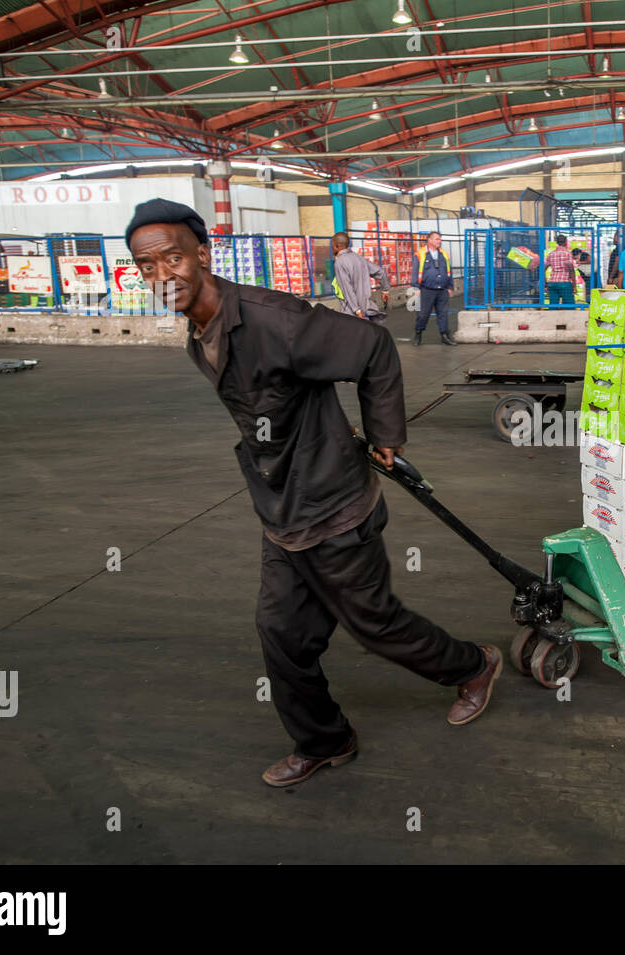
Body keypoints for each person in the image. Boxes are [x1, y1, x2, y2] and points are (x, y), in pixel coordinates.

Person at [125, 199, 500, 788]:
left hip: (335, 503)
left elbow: (374, 349)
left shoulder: (275, 320)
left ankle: (476, 665)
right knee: (281, 633)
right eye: (146, 266)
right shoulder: (201, 333)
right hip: (282, 509)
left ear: (202, 254)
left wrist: (384, 436)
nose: (161, 275)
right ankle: (325, 740)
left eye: (173, 257)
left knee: (375, 625)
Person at [331, 232, 390, 324]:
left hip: (352, 313)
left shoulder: (339, 263)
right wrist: (385, 290)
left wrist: (357, 310)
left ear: (337, 246)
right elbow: (381, 272)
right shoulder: (359, 258)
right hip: (367, 308)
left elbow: (347, 289)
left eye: (332, 245)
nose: (331, 248)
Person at [409, 230, 455, 346]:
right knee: (423, 314)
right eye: (437, 239)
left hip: (442, 290)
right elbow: (415, 271)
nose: (439, 241)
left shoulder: (444, 254)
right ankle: (418, 333)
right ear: (429, 240)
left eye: (440, 239)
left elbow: (449, 271)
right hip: (426, 290)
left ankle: (444, 336)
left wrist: (450, 286)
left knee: (443, 314)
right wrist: (415, 287)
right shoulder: (420, 254)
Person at [544, 234, 574, 306]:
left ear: (556, 243)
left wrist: (546, 283)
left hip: (552, 282)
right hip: (565, 282)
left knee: (553, 305)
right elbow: (571, 270)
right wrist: (574, 285)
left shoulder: (551, 254)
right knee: (569, 305)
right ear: (566, 242)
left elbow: (543, 269)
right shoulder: (567, 253)